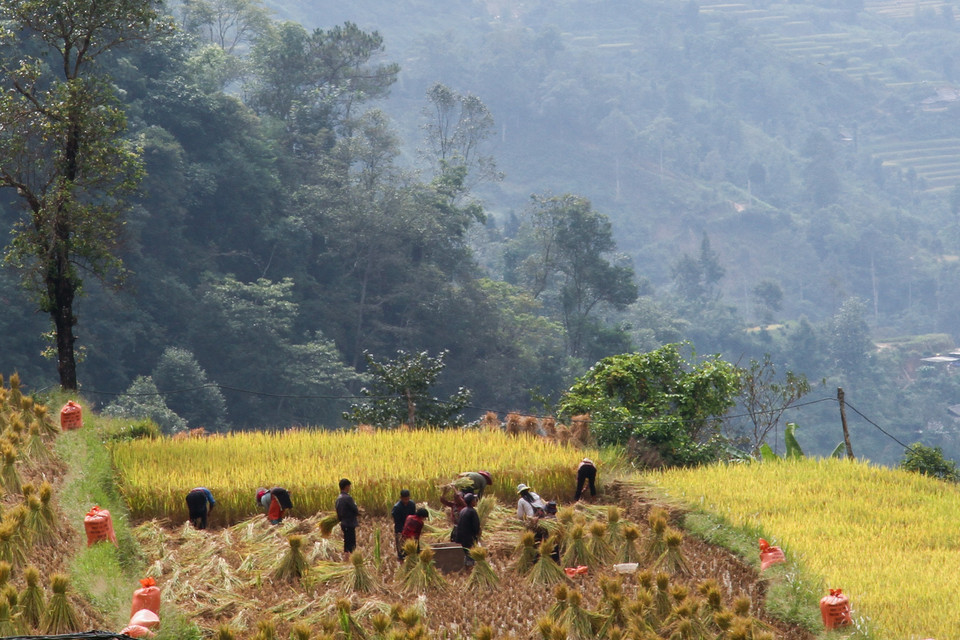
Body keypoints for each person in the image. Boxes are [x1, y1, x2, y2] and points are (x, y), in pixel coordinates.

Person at [453, 493, 481, 566]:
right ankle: (470, 569)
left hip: (462, 538)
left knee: (467, 553)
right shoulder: (472, 511)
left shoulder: (463, 510)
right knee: (471, 555)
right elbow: (476, 526)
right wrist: (478, 533)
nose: (475, 501)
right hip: (469, 538)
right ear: (471, 502)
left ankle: (467, 568)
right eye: (474, 500)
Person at [335, 478, 359, 561]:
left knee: (346, 544)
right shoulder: (348, 498)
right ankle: (351, 561)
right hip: (350, 523)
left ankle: (346, 561)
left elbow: (338, 513)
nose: (350, 488)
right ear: (346, 487)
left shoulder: (338, 498)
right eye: (349, 486)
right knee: (352, 545)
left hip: (344, 523)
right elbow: (355, 510)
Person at [392, 489, 417, 561]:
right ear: (401, 498)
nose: (406, 500)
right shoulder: (397, 508)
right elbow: (398, 522)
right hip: (400, 530)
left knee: (411, 549)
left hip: (410, 529)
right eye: (405, 499)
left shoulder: (412, 504)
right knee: (402, 550)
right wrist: (403, 531)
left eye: (408, 499)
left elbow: (413, 516)